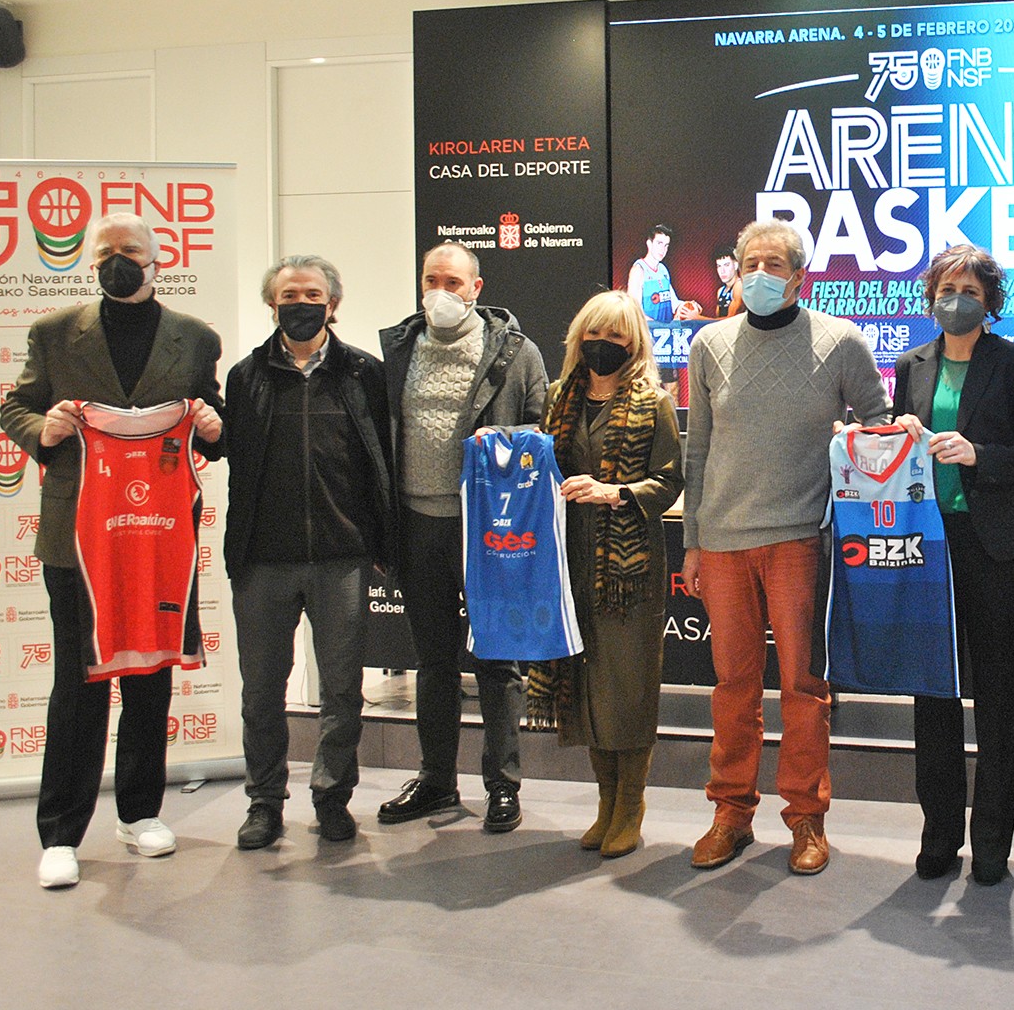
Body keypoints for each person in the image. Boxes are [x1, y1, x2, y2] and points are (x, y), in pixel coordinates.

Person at [0, 212, 225, 889]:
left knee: (150, 672)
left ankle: (140, 812)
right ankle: (61, 832)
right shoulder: (54, 333)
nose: (115, 261)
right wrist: (48, 426)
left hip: (158, 533)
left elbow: (209, 422)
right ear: (89, 262)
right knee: (78, 682)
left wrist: (215, 428)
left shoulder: (195, 337)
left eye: (129, 251)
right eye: (105, 254)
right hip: (75, 537)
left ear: (159, 260)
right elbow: (16, 409)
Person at [682, 219, 892, 875]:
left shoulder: (841, 342)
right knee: (733, 686)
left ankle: (806, 816)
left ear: (800, 275)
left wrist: (863, 454)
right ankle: (730, 813)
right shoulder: (709, 344)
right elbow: (699, 449)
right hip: (720, 543)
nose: (760, 274)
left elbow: (878, 428)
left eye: (775, 264)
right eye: (751, 262)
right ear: (736, 270)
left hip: (802, 539)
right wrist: (691, 541)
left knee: (804, 686)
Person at [890, 245, 1014, 886]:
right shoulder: (912, 363)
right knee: (932, 693)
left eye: (968, 288)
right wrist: (893, 435)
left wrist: (979, 455)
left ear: (990, 300)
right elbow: (894, 450)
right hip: (925, 544)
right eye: (944, 287)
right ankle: (939, 837)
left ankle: (991, 843)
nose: (953, 298)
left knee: (993, 699)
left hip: (995, 546)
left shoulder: (1012, 361)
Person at [377, 241, 550, 834]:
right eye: (432, 280)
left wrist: (506, 449)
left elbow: (542, 431)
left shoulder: (517, 353)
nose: (441, 292)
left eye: (454, 282)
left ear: (477, 288)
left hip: (488, 529)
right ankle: (435, 782)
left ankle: (503, 785)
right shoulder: (397, 350)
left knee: (498, 661)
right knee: (433, 662)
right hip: (416, 525)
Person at [222, 254, 392, 851]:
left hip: (341, 558)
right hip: (263, 559)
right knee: (261, 690)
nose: (300, 302)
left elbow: (379, 461)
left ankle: (332, 797)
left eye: (312, 293)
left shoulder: (365, 373)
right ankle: (264, 802)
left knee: (343, 689)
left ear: (332, 304)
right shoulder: (245, 378)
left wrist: (380, 539)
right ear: (272, 304)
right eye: (289, 294)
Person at [543, 290, 684, 859]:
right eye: (594, 335)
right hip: (568, 558)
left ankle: (631, 806)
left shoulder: (654, 403)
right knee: (583, 684)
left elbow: (670, 480)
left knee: (627, 687)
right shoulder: (558, 399)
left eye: (617, 338)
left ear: (634, 345)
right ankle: (605, 801)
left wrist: (614, 493)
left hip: (629, 566)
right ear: (578, 338)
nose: (603, 345)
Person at [627, 223, 700, 324]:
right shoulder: (638, 270)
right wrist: (659, 327)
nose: (663, 249)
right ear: (649, 243)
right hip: (648, 334)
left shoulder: (663, 270)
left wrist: (689, 305)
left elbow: (673, 303)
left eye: (666, 245)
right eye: (659, 243)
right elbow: (633, 312)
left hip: (666, 332)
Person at [712, 244, 738, 317]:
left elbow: (731, 320)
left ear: (736, 265)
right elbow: (718, 322)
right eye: (719, 266)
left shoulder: (739, 287)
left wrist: (698, 318)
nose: (722, 271)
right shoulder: (720, 291)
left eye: (726, 265)